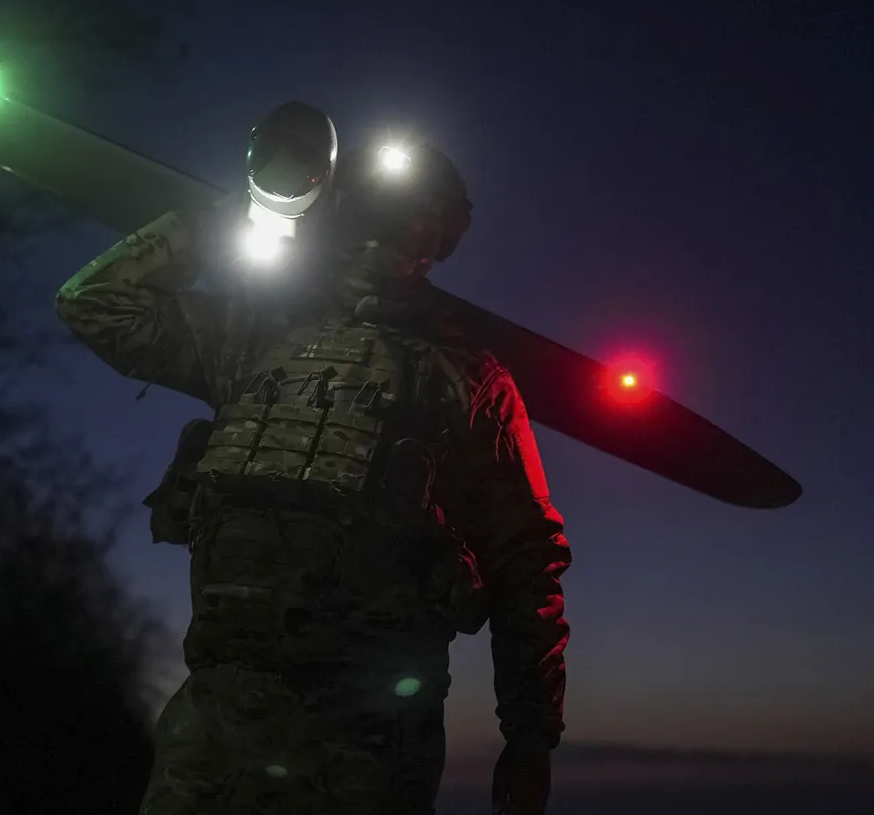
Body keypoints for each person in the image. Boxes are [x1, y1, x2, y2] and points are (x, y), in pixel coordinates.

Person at [54, 128, 572, 815]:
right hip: (221, 706)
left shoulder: (467, 380)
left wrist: (530, 738)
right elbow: (91, 302)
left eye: (412, 216)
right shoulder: (251, 334)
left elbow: (524, 562)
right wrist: (238, 219)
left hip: (367, 731)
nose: (385, 235)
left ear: (439, 237)